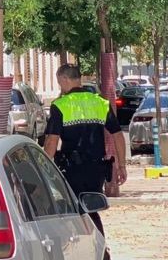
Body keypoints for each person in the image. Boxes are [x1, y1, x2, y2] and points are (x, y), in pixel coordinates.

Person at [43, 64, 127, 233]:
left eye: (60, 82)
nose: (61, 86)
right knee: (91, 208)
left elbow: (52, 141)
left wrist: (44, 167)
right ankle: (98, 245)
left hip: (72, 169)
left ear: (65, 79)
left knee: (75, 210)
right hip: (97, 170)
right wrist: (122, 166)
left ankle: (94, 247)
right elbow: (117, 135)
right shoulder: (100, 103)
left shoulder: (60, 105)